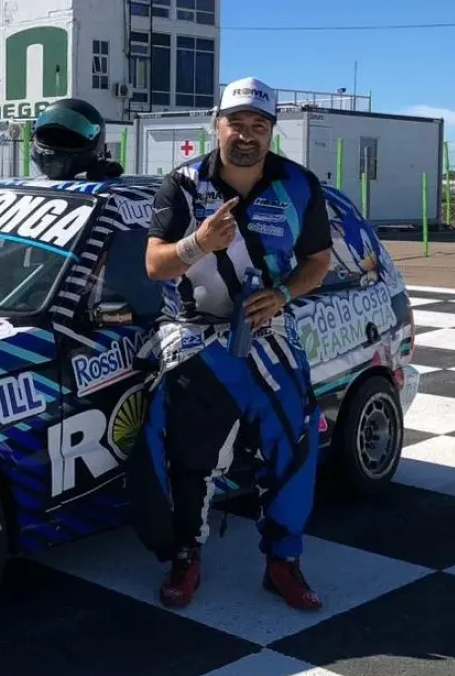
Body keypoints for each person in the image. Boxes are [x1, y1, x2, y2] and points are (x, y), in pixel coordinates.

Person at [128, 77, 333, 611]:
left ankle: (283, 562)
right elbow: (153, 266)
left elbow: (318, 263)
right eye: (236, 124)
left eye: (258, 126)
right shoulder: (183, 184)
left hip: (271, 334)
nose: (247, 135)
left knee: (294, 444)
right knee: (189, 454)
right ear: (216, 125)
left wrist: (283, 293)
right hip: (197, 338)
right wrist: (199, 243)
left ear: (271, 131)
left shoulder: (300, 185)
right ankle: (186, 557)